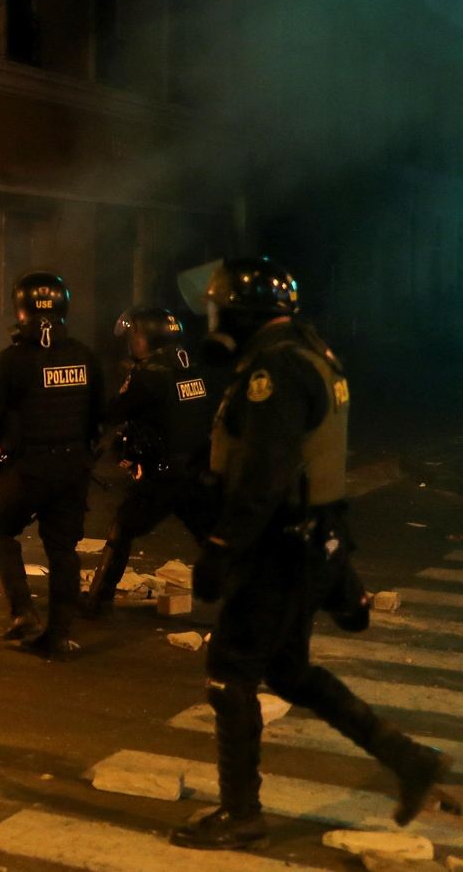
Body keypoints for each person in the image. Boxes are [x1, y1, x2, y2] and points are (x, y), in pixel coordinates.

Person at [171, 258, 451, 849]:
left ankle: (241, 812)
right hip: (310, 540)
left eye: (220, 310)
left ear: (241, 313)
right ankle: (408, 760)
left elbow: (265, 473)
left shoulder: (272, 368)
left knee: (229, 673)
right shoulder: (311, 353)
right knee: (291, 672)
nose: (214, 320)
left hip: (277, 546)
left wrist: (223, 546)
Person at [0, 272, 103, 658]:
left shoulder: (12, 360)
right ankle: (59, 633)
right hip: (73, 466)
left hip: (28, 469)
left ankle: (23, 615)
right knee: (63, 549)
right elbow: (99, 413)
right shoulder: (83, 355)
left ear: (20, 309)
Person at [82, 307, 216, 617]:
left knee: (121, 529)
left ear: (144, 338)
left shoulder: (149, 375)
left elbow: (112, 413)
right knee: (212, 538)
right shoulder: (191, 367)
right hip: (196, 470)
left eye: (133, 336)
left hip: (163, 475)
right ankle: (248, 600)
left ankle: (98, 600)